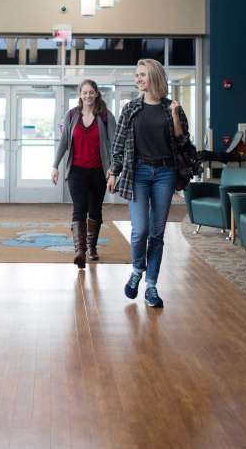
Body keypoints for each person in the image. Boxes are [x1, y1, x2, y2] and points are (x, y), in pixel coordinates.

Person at [107, 58, 191, 308]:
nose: (138, 79)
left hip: (165, 173)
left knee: (157, 233)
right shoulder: (131, 108)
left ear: (154, 77)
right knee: (140, 230)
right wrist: (113, 171)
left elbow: (182, 140)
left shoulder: (172, 108)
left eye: (142, 75)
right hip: (139, 173)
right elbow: (118, 144)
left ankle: (151, 286)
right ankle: (136, 271)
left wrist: (175, 115)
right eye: (137, 75)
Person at [51, 79, 116, 269]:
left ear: (96, 94)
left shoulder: (105, 116)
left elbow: (114, 146)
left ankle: (92, 247)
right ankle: (80, 251)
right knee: (79, 209)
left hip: (98, 172)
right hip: (76, 172)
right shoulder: (71, 115)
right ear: (80, 94)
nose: (88, 96)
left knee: (95, 209)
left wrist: (112, 171)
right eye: (84, 92)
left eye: (91, 92)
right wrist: (55, 166)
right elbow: (64, 142)